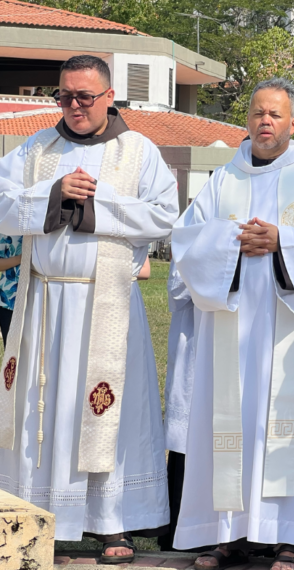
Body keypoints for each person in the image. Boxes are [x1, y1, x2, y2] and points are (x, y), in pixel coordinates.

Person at [170, 77, 294, 570]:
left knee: (293, 428)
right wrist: (230, 241)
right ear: (247, 121)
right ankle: (226, 533)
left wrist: (283, 244)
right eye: (257, 113)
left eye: (275, 114)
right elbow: (186, 243)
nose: (264, 122)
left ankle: (292, 537)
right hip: (231, 329)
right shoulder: (221, 180)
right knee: (230, 424)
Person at [0, 54, 178, 564]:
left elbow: (165, 214)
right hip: (44, 305)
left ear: (109, 98)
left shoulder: (138, 151)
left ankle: (110, 526)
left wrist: (93, 208)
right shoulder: (37, 148)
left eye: (84, 97)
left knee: (106, 412)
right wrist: (53, 192)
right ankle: (28, 524)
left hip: (109, 305)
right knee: (41, 412)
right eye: (64, 96)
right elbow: (1, 202)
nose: (73, 106)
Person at [157, 256, 198, 552]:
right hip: (198, 334)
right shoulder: (198, 217)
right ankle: (184, 533)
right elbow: (179, 288)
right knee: (192, 430)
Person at [0, 233, 22, 342]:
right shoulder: (6, 225)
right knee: (11, 352)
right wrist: (22, 258)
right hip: (10, 301)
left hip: (38, 298)